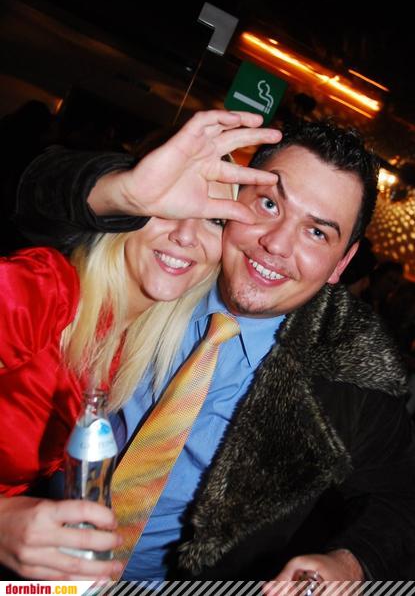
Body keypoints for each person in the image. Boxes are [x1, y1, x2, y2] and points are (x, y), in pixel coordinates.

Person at [10, 115, 415, 581]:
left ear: (342, 262)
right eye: (269, 204)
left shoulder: (350, 375)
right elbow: (34, 194)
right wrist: (125, 193)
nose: (276, 244)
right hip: (29, 563)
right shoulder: (162, 263)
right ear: (233, 194)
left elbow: (403, 498)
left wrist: (350, 563)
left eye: (317, 232)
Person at [0, 110, 281, 580]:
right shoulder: (44, 290)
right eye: (168, 207)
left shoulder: (139, 346)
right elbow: (33, 186)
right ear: (130, 209)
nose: (186, 236)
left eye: (214, 220)